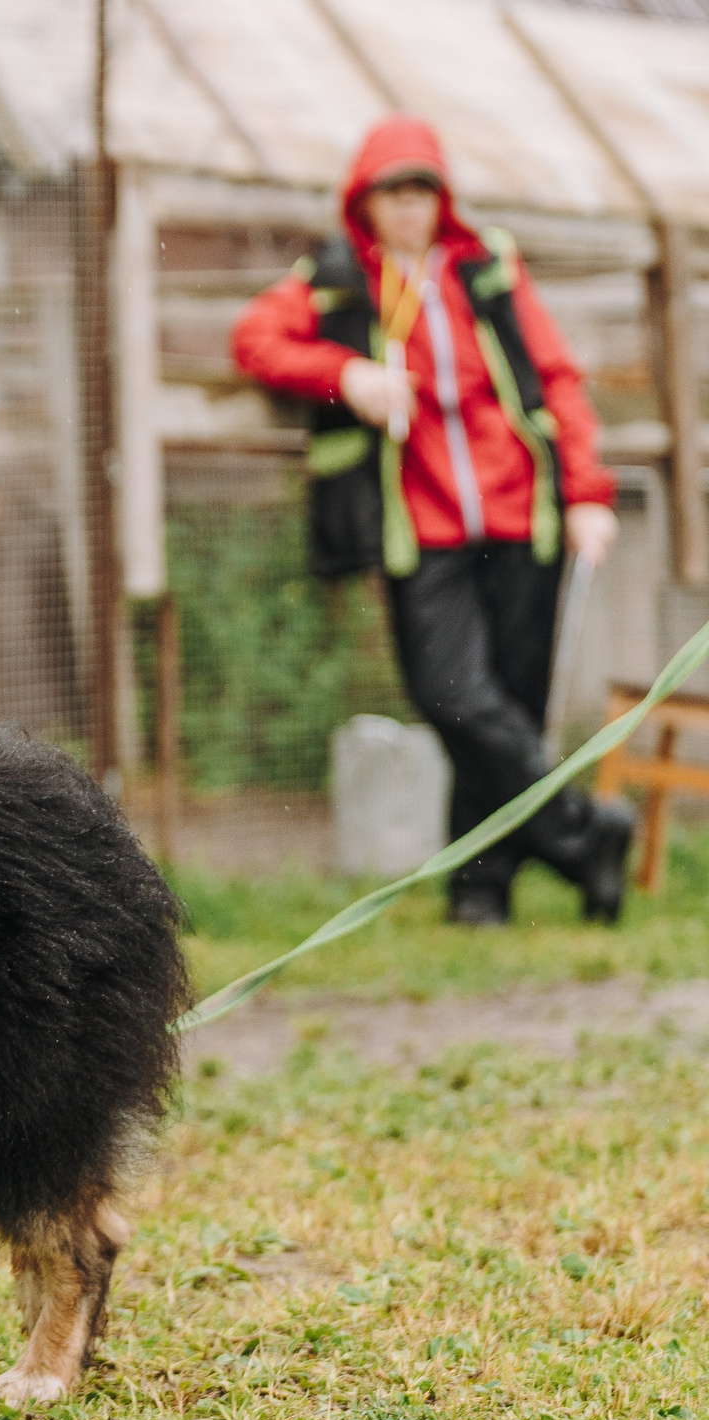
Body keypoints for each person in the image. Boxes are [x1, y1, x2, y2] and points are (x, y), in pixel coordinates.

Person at [233, 113, 635, 926]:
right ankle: (586, 832)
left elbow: (556, 379)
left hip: (526, 520)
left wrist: (587, 495)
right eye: (392, 190)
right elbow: (256, 339)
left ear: (441, 197)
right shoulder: (339, 277)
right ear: (366, 200)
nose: (409, 205)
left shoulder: (486, 269)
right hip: (424, 530)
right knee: (454, 699)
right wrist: (346, 372)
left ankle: (481, 890)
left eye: (422, 188)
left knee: (508, 710)